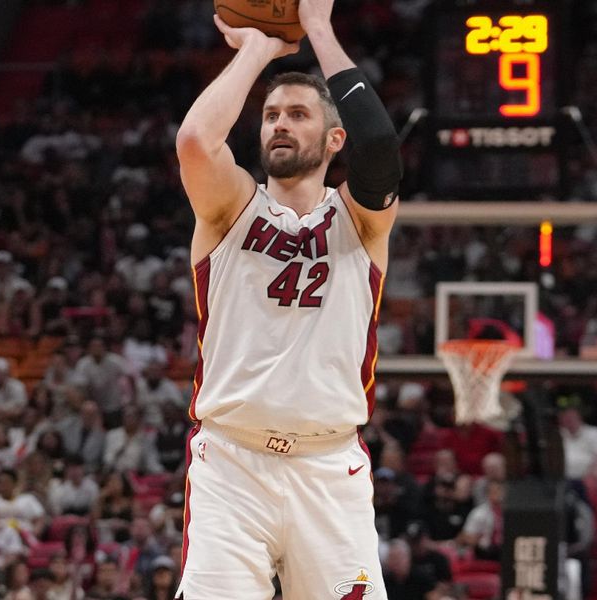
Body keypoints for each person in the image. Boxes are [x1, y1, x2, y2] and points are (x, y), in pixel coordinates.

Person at [173, 0, 402, 596]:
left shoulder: (360, 221)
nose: (278, 122)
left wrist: (319, 30)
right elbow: (196, 140)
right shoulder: (230, 209)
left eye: (297, 113)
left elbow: (380, 149)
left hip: (329, 471)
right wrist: (257, 51)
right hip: (232, 466)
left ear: (332, 139)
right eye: (271, 114)